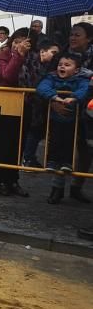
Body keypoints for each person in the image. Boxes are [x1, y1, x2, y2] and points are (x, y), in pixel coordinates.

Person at [36, 53, 90, 204]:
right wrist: (54, 97)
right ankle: (52, 163)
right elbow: (42, 87)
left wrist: (74, 97)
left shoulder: (81, 79)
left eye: (67, 65)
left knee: (70, 142)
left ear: (77, 69)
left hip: (76, 119)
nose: (62, 67)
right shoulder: (51, 77)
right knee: (54, 140)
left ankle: (67, 165)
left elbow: (85, 90)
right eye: (60, 64)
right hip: (55, 118)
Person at [0, 28, 32, 197]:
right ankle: (0, 179)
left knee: (19, 144)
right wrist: (18, 55)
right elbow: (7, 75)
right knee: (5, 144)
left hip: (26, 105)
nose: (18, 45)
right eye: (16, 41)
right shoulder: (4, 55)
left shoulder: (34, 57)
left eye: (23, 42)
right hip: (6, 104)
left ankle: (13, 179)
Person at [20, 39, 60, 167]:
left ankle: (31, 157)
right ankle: (28, 158)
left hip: (41, 104)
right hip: (30, 103)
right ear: (42, 51)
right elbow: (30, 83)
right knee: (32, 132)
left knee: (37, 132)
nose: (56, 56)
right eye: (53, 52)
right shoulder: (29, 62)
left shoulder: (52, 66)